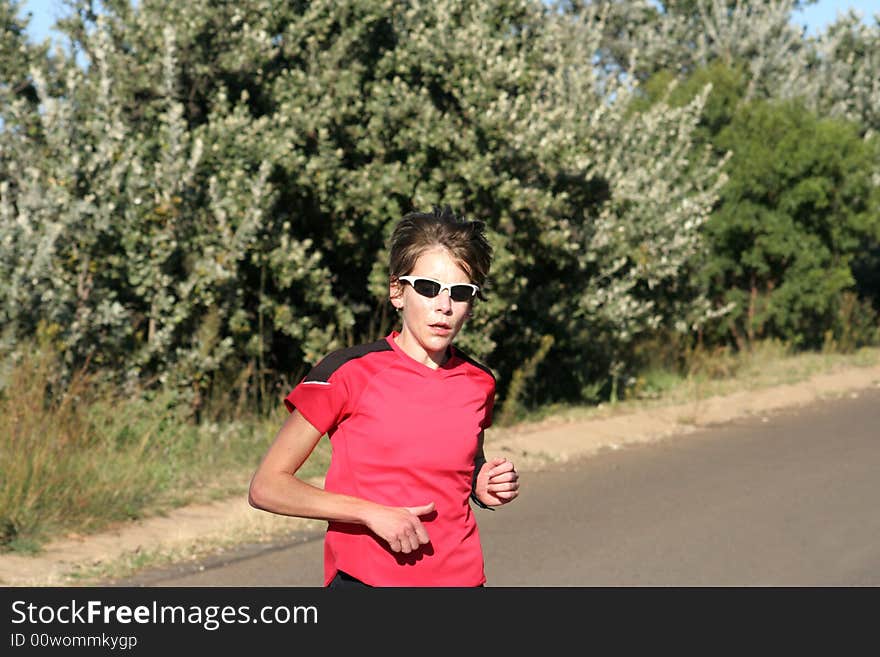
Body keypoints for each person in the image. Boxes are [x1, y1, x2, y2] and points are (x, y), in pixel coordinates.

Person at [248, 206, 519, 587]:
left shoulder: (478, 381)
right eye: (427, 288)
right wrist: (371, 513)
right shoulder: (347, 373)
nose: (444, 306)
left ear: (471, 305)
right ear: (397, 291)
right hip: (367, 584)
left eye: (460, 293)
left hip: (462, 581)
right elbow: (267, 487)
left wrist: (482, 482)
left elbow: (465, 463)